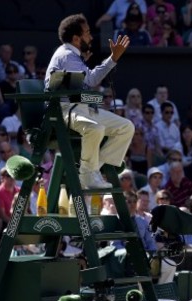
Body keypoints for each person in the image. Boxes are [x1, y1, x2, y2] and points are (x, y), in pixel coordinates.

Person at [45, 14, 134, 189]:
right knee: (95, 129)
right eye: (87, 33)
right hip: (62, 109)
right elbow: (92, 80)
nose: (91, 37)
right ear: (76, 38)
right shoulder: (67, 55)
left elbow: (84, 85)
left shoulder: (73, 56)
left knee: (126, 127)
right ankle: (88, 174)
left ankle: (90, 173)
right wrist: (113, 58)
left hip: (81, 108)